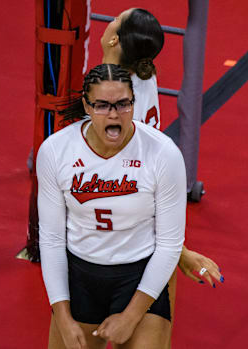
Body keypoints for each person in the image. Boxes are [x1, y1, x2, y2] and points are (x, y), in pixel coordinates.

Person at [38, 63, 185, 348]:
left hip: (138, 276)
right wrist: (63, 316)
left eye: (123, 104)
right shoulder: (56, 151)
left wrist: (131, 317)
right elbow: (53, 239)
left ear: (134, 103)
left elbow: (169, 244)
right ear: (87, 106)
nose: (114, 114)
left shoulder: (163, 154)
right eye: (103, 105)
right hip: (80, 277)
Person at [98, 8, 223, 288]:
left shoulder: (108, 98)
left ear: (114, 40)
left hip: (118, 225)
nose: (109, 22)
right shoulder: (146, 75)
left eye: (115, 20)